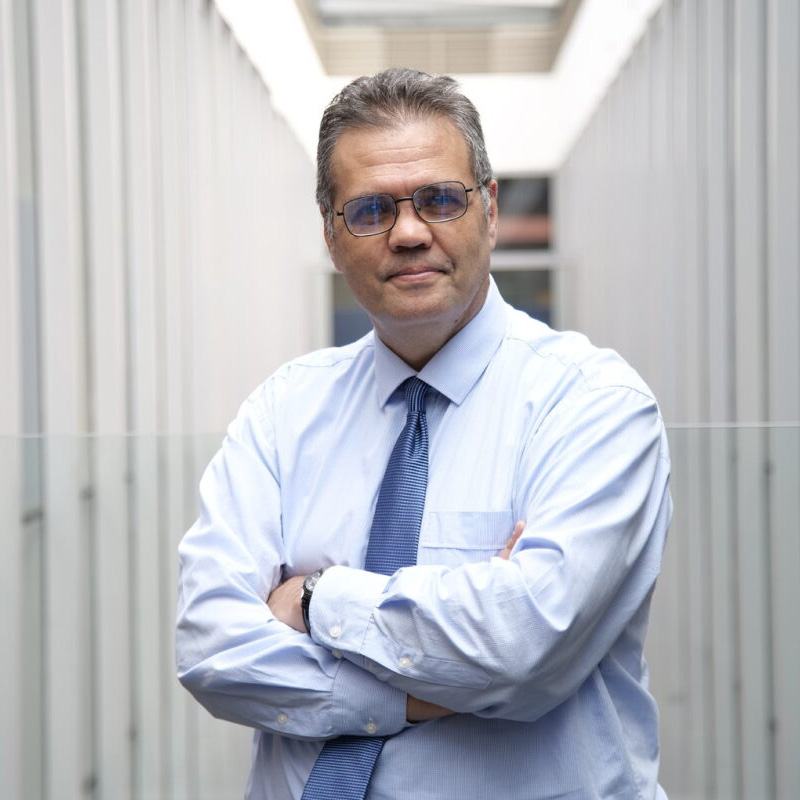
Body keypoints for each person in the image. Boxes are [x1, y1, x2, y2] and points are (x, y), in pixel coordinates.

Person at [176, 68, 672, 800]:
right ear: (331, 234)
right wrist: (416, 692)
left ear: (491, 209)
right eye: (371, 209)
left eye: (440, 199)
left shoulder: (594, 404)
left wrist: (316, 599)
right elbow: (211, 647)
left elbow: (524, 640)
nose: (409, 233)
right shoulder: (282, 413)